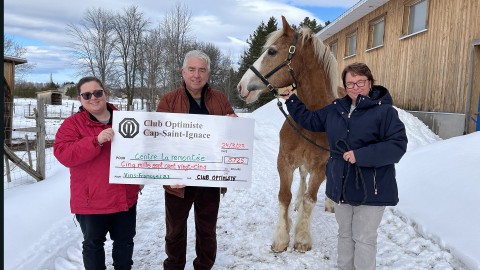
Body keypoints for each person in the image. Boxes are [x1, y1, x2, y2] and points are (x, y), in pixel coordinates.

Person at [281, 62, 408, 270]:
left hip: (371, 188)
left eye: (360, 82)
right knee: (345, 236)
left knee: (364, 238)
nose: (355, 87)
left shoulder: (385, 112)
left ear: (370, 83)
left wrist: (361, 155)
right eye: (350, 84)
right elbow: (310, 120)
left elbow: (397, 146)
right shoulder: (336, 108)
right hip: (341, 185)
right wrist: (291, 100)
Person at [156, 50, 236, 270]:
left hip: (210, 178)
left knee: (207, 230)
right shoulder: (169, 100)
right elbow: (158, 141)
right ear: (183, 72)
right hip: (177, 182)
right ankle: (174, 266)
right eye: (191, 69)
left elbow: (233, 134)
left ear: (208, 73)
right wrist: (168, 174)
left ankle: (204, 265)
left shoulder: (219, 99)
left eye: (201, 70)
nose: (196, 75)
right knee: (174, 231)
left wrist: (234, 125)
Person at [54, 76, 142, 270]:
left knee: (124, 243)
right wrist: (96, 141)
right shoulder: (73, 125)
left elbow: (142, 151)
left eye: (97, 92)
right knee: (93, 245)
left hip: (124, 197)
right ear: (80, 99)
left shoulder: (127, 120)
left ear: (105, 93)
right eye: (87, 95)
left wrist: (140, 176)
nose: (93, 98)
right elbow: (64, 154)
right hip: (91, 200)